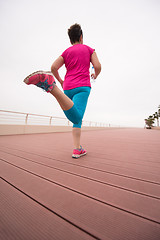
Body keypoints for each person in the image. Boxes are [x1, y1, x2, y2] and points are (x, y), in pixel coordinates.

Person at [24, 23, 101, 158]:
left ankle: (77, 149)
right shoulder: (89, 49)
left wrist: (61, 80)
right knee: (77, 117)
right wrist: (95, 74)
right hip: (82, 87)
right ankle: (52, 88)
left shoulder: (66, 52)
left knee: (76, 119)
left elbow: (53, 67)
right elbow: (98, 66)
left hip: (68, 87)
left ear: (70, 40)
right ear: (81, 37)